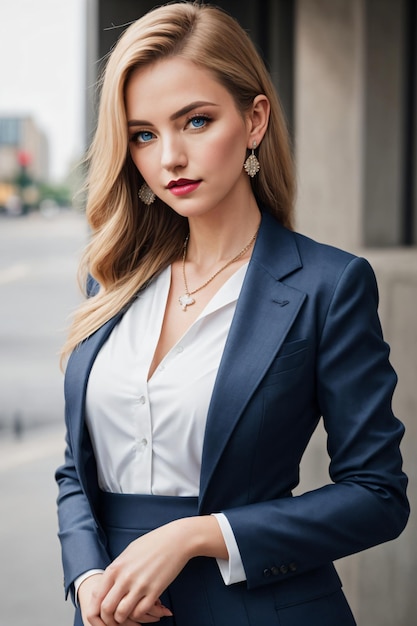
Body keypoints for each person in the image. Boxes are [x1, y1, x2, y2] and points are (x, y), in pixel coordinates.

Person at [55, 3, 409, 625]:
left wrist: (198, 534)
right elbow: (74, 470)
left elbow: (377, 495)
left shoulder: (329, 285)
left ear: (254, 120)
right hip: (111, 612)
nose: (170, 157)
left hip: (259, 611)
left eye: (195, 121)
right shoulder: (109, 281)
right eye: (144, 133)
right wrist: (87, 579)